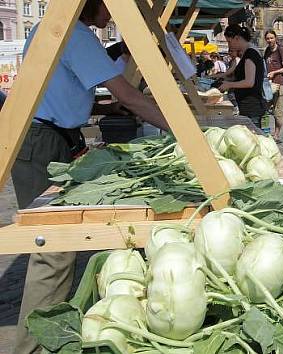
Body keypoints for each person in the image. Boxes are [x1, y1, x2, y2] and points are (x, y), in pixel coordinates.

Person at [12, 1, 169, 353]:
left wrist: (102, 108)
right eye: (110, 5)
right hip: (43, 141)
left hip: (47, 136)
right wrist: (181, 129)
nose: (112, 13)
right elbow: (127, 94)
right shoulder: (76, 35)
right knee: (51, 249)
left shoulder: (57, 29)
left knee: (56, 247)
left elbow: (59, 90)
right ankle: (32, 346)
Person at [218, 24, 266, 128]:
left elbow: (249, 82)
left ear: (237, 38)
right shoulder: (247, 53)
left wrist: (229, 84)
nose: (229, 45)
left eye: (229, 42)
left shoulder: (250, 54)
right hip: (248, 104)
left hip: (251, 105)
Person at [263, 30, 283, 141]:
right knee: (263, 107)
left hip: (279, 83)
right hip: (268, 84)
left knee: (278, 111)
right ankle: (264, 131)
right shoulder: (267, 51)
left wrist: (275, 72)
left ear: (275, 38)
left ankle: (276, 134)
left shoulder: (281, 50)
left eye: (271, 38)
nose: (270, 40)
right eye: (268, 38)